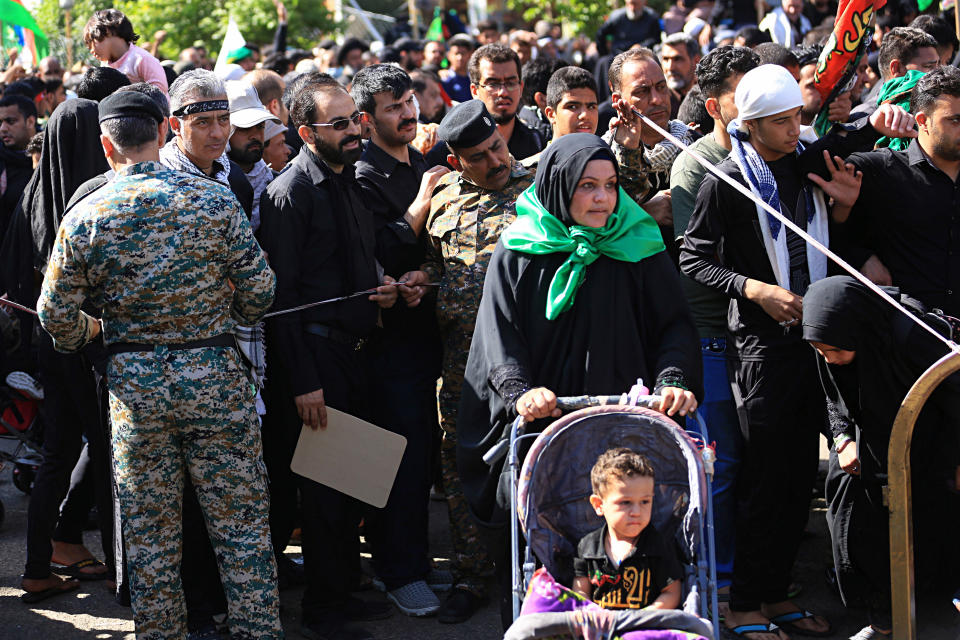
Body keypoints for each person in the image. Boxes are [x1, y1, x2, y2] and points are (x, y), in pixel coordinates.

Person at [679, 63, 915, 640]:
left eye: (797, 118)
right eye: (780, 122)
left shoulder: (806, 160)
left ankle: (776, 595)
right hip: (762, 347)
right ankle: (744, 606)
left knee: (796, 482)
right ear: (750, 124)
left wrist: (889, 120)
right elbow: (692, 257)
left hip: (816, 338)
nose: (794, 130)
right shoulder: (726, 179)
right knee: (766, 478)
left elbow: (848, 138)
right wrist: (753, 288)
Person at [36, 90, 281, 640]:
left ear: (107, 145)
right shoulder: (215, 202)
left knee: (150, 535)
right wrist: (223, 309)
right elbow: (261, 292)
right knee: (241, 528)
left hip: (135, 390)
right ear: (166, 133)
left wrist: (95, 332)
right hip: (215, 375)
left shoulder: (88, 213)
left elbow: (54, 315)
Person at [457, 133, 701, 626]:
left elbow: (673, 324)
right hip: (547, 428)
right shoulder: (519, 248)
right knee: (539, 540)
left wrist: (672, 379)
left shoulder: (638, 242)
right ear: (558, 186)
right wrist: (521, 392)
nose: (602, 199)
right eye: (587, 186)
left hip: (626, 423)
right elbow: (498, 335)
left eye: (610, 186)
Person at [257, 73, 406, 640]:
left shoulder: (349, 179)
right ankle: (323, 610)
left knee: (349, 484)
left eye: (355, 120)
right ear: (305, 131)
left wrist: (386, 285)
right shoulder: (289, 192)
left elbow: (351, 265)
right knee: (321, 495)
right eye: (339, 123)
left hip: (355, 351)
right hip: (315, 358)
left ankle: (341, 590)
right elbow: (283, 299)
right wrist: (305, 380)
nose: (353, 131)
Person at [421, 99, 535, 624]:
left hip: (528, 361)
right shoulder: (441, 198)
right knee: (459, 464)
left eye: (497, 145)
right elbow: (427, 266)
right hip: (460, 362)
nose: (497, 159)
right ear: (456, 159)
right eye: (481, 155)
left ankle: (541, 574)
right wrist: (416, 282)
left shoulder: (541, 189)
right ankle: (471, 574)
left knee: (535, 460)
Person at [802, 276, 960, 640]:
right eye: (821, 352)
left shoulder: (913, 336)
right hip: (870, 444)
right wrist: (841, 439)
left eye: (835, 351)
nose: (830, 359)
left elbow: (953, 395)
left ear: (859, 330)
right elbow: (832, 398)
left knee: (933, 527)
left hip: (935, 443)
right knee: (859, 525)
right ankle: (883, 618)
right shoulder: (831, 336)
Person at [349, 63, 451, 617]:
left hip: (435, 329)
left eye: (409, 101)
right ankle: (398, 569)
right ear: (366, 121)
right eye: (393, 107)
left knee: (432, 455)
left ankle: (421, 557)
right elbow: (380, 255)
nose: (407, 113)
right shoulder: (363, 175)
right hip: (389, 345)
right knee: (399, 458)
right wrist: (421, 204)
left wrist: (426, 275)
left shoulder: (426, 160)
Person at [3, 99, 114, 604]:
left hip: (48, 344)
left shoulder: (32, 195)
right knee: (108, 452)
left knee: (58, 456)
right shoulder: (97, 197)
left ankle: (35, 568)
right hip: (90, 345)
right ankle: (121, 570)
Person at [669, 44, 760, 603]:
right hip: (713, 335)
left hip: (767, 334)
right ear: (713, 105)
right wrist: (758, 288)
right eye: (743, 96)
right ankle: (720, 580)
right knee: (719, 465)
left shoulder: (777, 152)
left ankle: (754, 573)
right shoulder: (694, 165)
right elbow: (697, 259)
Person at [835, 66, 960, 316]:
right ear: (923, 121)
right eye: (955, 120)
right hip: (908, 336)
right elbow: (829, 233)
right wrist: (861, 257)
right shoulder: (877, 170)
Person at [573, 449, 683, 610]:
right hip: (602, 625)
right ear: (599, 505)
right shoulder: (588, 546)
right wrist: (592, 616)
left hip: (645, 626)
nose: (637, 512)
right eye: (625, 503)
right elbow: (581, 591)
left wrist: (646, 617)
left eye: (645, 502)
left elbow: (672, 592)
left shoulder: (658, 545)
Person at [161, 70, 254, 217]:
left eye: (223, 119)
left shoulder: (235, 178)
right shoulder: (158, 182)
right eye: (203, 122)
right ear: (176, 126)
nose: (217, 134)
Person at [468, 44, 543, 160]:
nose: (503, 92)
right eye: (493, 84)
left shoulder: (538, 143)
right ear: (475, 91)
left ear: (521, 88)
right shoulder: (459, 146)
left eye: (511, 83)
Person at [225, 80, 280, 232]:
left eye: (260, 126)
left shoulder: (274, 182)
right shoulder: (213, 184)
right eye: (244, 128)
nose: (255, 135)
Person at [851, 27, 939, 119]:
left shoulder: (936, 108)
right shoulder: (863, 119)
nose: (939, 74)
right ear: (896, 69)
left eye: (939, 65)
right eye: (929, 67)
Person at [83, 9, 168, 94]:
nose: (91, 51)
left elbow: (160, 91)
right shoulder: (105, 65)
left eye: (91, 43)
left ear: (107, 31)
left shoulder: (141, 59)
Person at [0, 95, 38, 241]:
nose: (3, 129)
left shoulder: (48, 155)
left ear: (30, 121)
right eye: (1, 122)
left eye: (10, 121)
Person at [596, 0, 663, 56]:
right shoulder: (616, 17)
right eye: (631, 4)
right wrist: (605, 53)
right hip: (618, 55)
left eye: (636, 4)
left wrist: (641, 46)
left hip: (643, 56)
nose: (633, 8)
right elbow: (600, 34)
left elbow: (656, 39)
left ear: (644, 2)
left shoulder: (652, 17)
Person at [660, 33, 701, 103]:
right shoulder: (657, 101)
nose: (670, 67)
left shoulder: (709, 96)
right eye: (666, 59)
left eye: (677, 59)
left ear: (696, 61)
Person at [441, 34, 475, 103]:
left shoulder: (474, 78)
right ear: (448, 55)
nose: (459, 58)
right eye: (456, 53)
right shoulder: (444, 80)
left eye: (463, 53)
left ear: (470, 55)